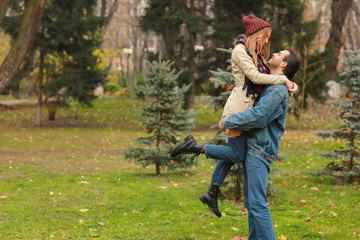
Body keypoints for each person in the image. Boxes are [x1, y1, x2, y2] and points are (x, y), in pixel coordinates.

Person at [170, 15, 299, 218]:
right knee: (237, 154)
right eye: (264, 37)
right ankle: (194, 148)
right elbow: (256, 77)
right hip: (240, 107)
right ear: (256, 33)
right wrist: (284, 82)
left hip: (247, 107)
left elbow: (268, 74)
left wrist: (290, 82)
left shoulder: (254, 53)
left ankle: (212, 192)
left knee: (234, 153)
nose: (266, 42)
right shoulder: (240, 51)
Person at [219, 48, 302, 239]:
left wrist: (228, 121)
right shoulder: (270, 83)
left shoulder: (277, 90)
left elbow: (258, 117)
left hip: (260, 151)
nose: (273, 54)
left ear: (284, 64)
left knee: (257, 204)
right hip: (254, 149)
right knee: (251, 203)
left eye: (279, 54)